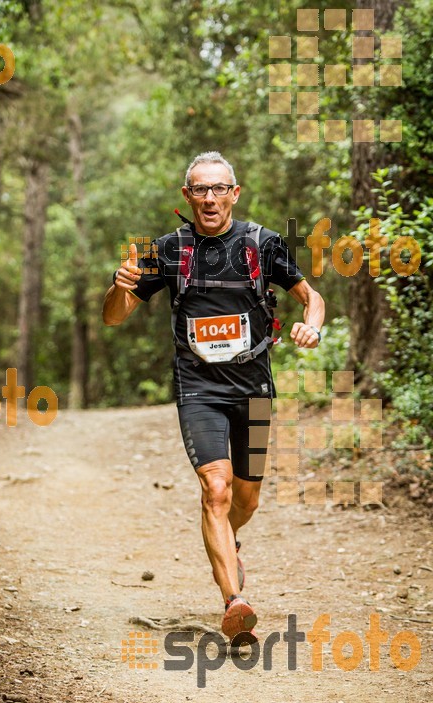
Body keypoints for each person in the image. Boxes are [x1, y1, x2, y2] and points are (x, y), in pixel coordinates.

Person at [103, 151, 325, 646]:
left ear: (234, 193)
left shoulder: (262, 244)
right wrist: (119, 288)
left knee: (246, 497)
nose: (209, 198)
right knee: (216, 490)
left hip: (253, 384)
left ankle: (229, 539)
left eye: (218, 188)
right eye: (200, 189)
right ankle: (234, 602)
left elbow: (312, 297)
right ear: (187, 196)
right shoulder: (167, 250)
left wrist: (310, 327)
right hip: (198, 385)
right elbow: (114, 317)